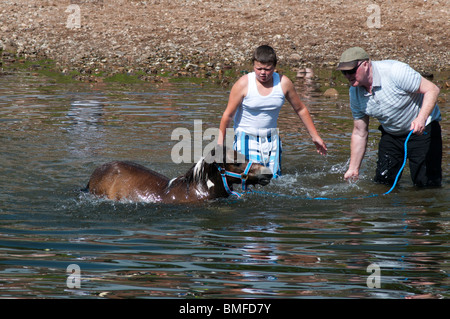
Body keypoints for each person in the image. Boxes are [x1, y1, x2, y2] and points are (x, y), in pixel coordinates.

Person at [337, 46, 442, 187]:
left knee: (426, 186)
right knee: (382, 182)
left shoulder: (395, 71)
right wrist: (353, 168)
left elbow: (432, 89)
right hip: (392, 135)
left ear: (366, 65)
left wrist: (421, 118)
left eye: (351, 71)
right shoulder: (354, 93)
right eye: (344, 72)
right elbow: (359, 132)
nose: (348, 76)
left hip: (423, 130)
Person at [218, 45, 327, 178]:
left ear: (274, 67)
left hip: (272, 139)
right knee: (251, 179)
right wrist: (220, 145)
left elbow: (301, 109)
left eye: (267, 69)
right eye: (259, 69)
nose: (263, 73)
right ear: (253, 66)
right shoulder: (243, 84)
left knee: (273, 179)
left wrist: (315, 136)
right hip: (246, 138)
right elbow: (227, 115)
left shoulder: (283, 83)